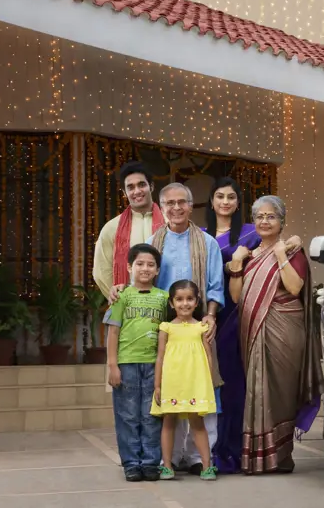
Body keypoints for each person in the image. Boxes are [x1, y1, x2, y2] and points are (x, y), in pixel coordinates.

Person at [110, 182, 225, 475]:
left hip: (198, 328)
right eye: (170, 203)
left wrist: (210, 316)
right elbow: (143, 277)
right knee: (169, 391)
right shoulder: (154, 240)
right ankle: (168, 458)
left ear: (190, 206)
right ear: (163, 207)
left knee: (202, 388)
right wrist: (123, 286)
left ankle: (200, 458)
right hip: (166, 330)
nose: (176, 208)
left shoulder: (207, 242)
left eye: (182, 202)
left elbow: (214, 286)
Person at [204, 177, 303, 473]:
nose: (225, 202)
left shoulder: (260, 238)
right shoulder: (208, 238)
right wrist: (235, 264)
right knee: (232, 387)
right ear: (211, 201)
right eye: (219, 196)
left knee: (264, 388)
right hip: (227, 320)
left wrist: (287, 248)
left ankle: (264, 452)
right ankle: (227, 451)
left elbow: (293, 277)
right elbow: (233, 290)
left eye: (231, 196)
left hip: (265, 324)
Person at [229, 195, 324, 475]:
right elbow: (236, 298)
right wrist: (236, 263)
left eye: (271, 216)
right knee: (256, 389)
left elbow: (294, 288)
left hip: (285, 329)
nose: (264, 221)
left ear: (282, 222)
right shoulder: (248, 255)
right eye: (259, 216)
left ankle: (282, 455)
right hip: (252, 329)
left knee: (281, 392)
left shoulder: (294, 253)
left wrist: (281, 254)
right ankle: (258, 457)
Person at [106, 244, 169, 482]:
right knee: (128, 415)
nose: (145, 268)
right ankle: (131, 463)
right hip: (127, 365)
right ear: (129, 267)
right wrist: (113, 366)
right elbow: (112, 333)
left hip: (155, 365)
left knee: (152, 415)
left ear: (157, 270)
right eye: (140, 264)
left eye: (150, 264)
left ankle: (151, 462)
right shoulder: (120, 296)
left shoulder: (164, 299)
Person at [151, 280, 218, 481]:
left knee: (197, 423)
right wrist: (157, 384)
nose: (184, 304)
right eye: (179, 299)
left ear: (197, 302)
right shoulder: (166, 328)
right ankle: (167, 465)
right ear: (172, 303)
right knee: (169, 421)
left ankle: (207, 465)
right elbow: (160, 357)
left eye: (189, 299)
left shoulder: (201, 327)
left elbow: (208, 356)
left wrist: (208, 382)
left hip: (195, 382)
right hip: (173, 382)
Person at [93, 161, 164, 301]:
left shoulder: (169, 223)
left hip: (165, 304)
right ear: (125, 193)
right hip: (127, 307)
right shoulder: (112, 227)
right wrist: (121, 299)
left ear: (151, 186)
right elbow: (101, 271)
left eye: (142, 185)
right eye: (130, 187)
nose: (137, 191)